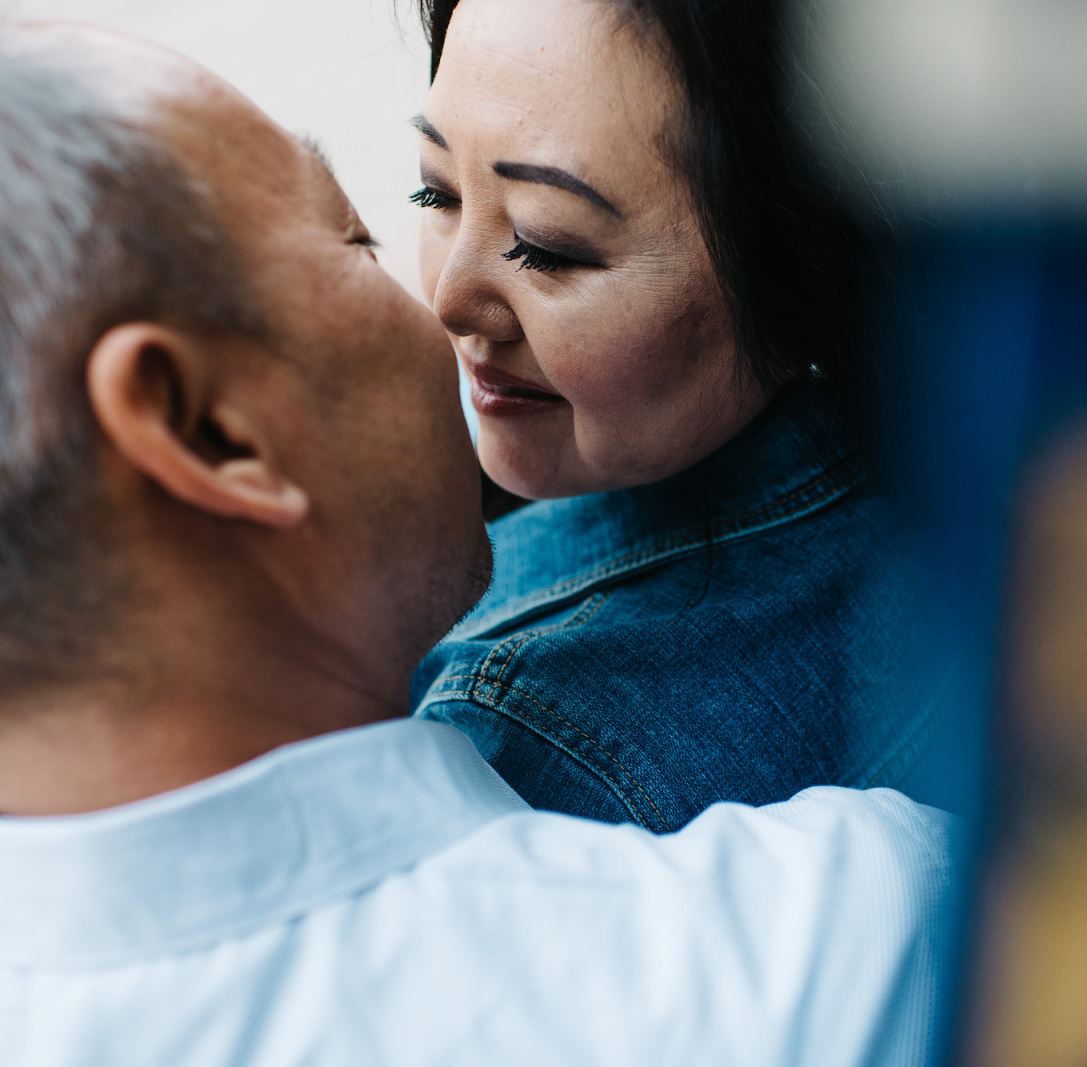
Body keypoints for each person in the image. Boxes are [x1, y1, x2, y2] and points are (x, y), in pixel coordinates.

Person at [0, 13, 958, 1066]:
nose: (447, 303)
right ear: (208, 428)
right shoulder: (816, 949)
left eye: (544, 242)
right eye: (355, 237)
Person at [408, 0, 957, 832]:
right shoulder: (971, 497)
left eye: (549, 246)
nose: (451, 298)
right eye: (437, 190)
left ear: (795, 254)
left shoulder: (527, 741)